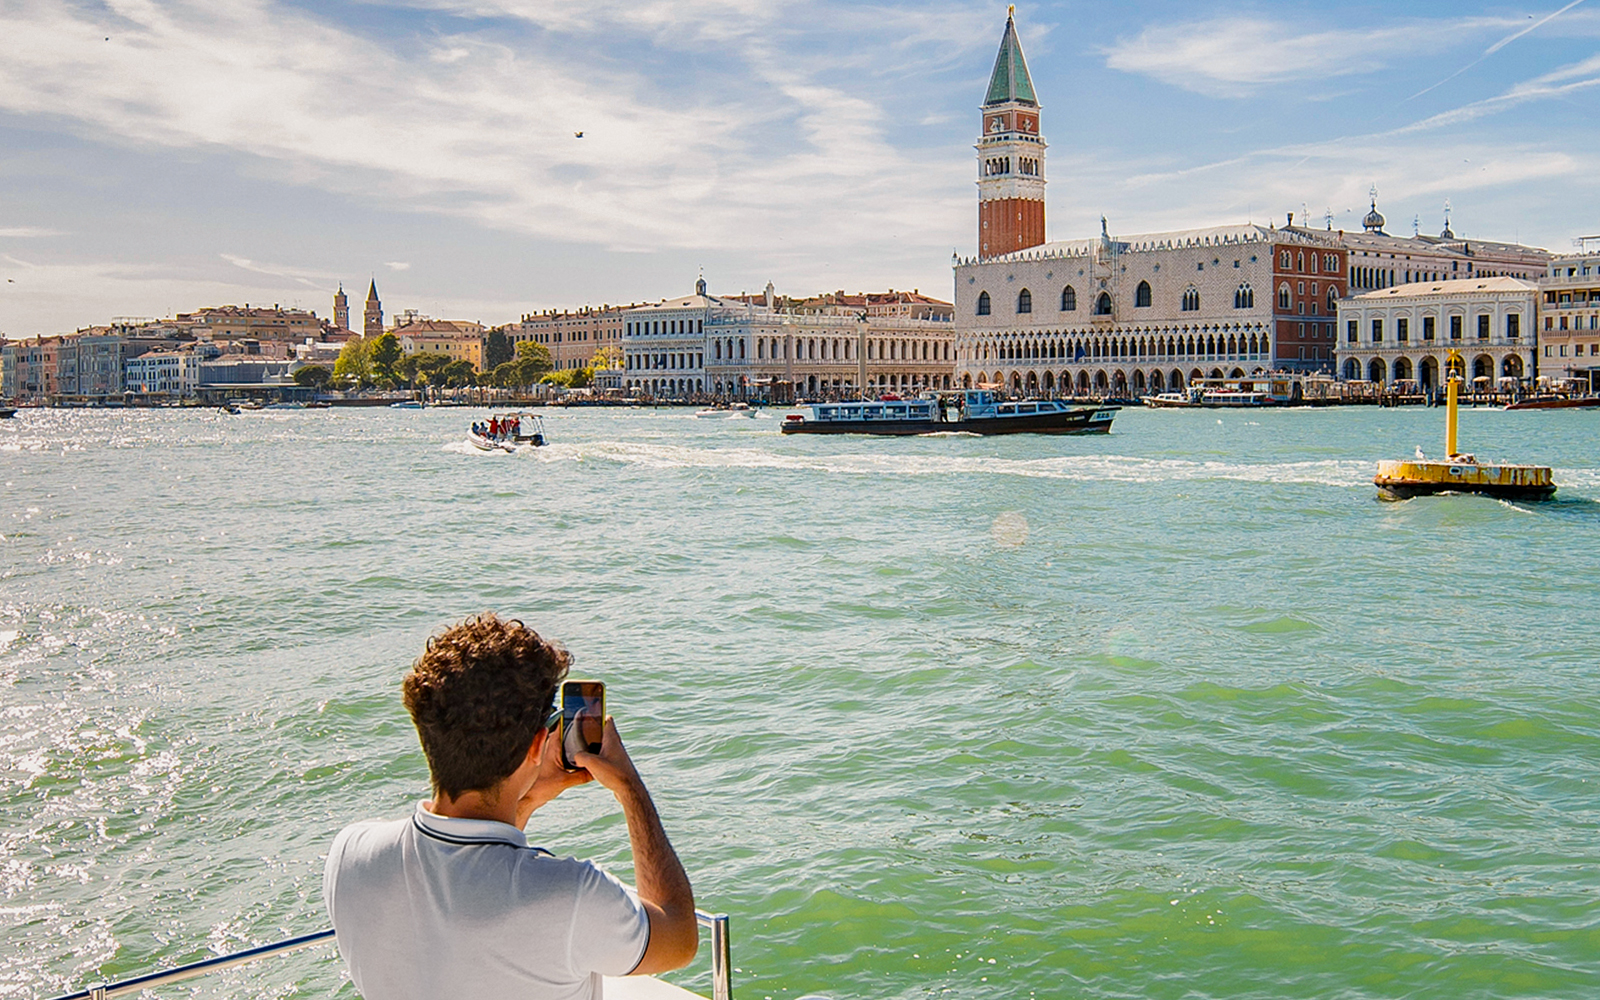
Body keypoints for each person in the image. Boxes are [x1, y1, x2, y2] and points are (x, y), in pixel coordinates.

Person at [323, 614, 697, 999]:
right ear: (538, 745)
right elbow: (679, 936)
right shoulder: (571, 896)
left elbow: (467, 892)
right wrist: (629, 788)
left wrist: (528, 798)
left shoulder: (350, 854)